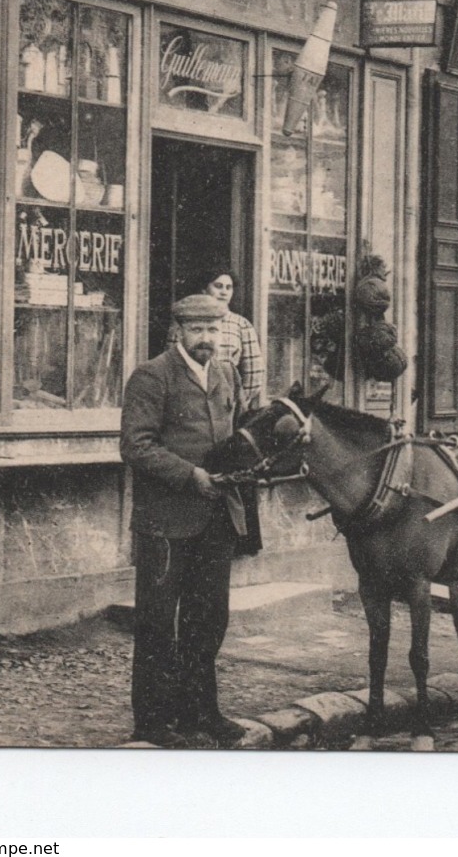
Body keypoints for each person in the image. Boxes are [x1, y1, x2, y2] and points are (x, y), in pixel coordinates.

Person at [120, 294, 253, 748]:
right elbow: (136, 446)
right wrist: (191, 476)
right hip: (166, 523)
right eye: (197, 331)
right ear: (178, 331)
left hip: (216, 518)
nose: (206, 339)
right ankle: (153, 723)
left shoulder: (227, 373)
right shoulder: (152, 376)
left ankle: (201, 713)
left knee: (208, 619)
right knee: (158, 623)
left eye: (214, 330)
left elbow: (233, 437)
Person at [187, 263, 266, 414]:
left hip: (226, 406)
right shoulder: (185, 323)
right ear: (204, 289)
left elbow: (255, 372)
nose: (224, 292)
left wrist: (235, 401)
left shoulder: (241, 325)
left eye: (228, 288)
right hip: (191, 403)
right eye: (218, 286)